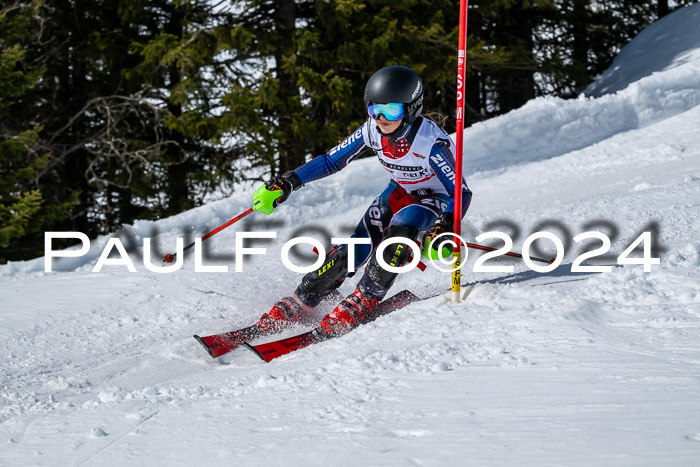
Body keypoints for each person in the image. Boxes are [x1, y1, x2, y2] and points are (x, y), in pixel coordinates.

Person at [251, 65, 472, 338]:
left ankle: (365, 297)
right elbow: (333, 160)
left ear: (411, 108)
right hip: (400, 190)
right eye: (374, 109)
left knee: (399, 233)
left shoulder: (430, 143)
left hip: (434, 198)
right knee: (357, 244)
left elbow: (460, 192)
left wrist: (446, 225)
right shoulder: (372, 130)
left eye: (390, 111)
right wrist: (289, 181)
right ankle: (304, 297)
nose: (380, 118)